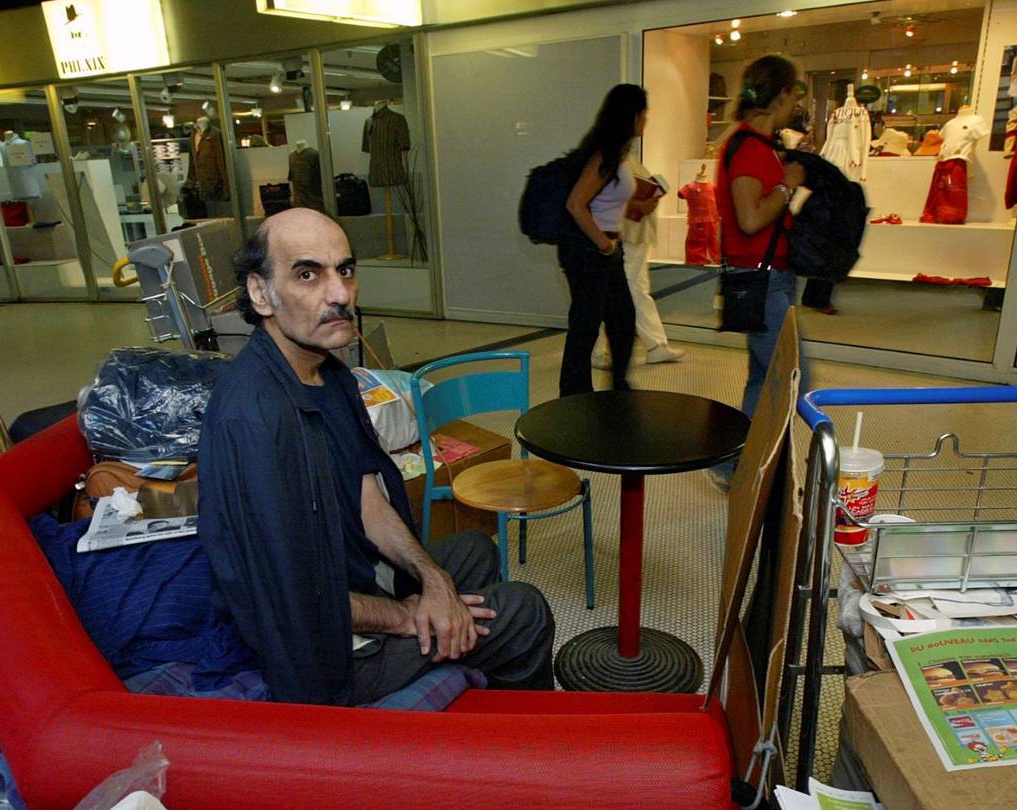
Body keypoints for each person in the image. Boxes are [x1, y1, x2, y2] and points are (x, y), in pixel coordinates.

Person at [198, 208, 555, 706]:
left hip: (352, 582)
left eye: (344, 270)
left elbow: (367, 497)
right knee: (522, 609)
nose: (340, 293)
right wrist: (411, 616)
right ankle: (522, 750)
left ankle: (474, 695)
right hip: (325, 653)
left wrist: (434, 582)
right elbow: (297, 599)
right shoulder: (254, 419)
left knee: (472, 549)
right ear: (261, 294)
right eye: (308, 274)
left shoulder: (330, 372)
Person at [707, 55, 806, 493]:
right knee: (789, 380)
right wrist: (788, 184)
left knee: (762, 378)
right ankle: (763, 474)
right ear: (782, 94)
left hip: (761, 275)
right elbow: (749, 218)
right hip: (762, 278)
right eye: (795, 93)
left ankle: (737, 468)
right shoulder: (749, 146)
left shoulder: (749, 143)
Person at [558, 83, 647, 396]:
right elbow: (575, 204)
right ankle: (573, 399)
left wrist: (637, 207)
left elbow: (604, 200)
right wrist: (604, 245)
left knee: (622, 320)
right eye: (644, 112)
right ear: (634, 115)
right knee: (585, 327)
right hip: (590, 251)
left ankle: (617, 387)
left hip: (605, 250)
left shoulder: (616, 151)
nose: (647, 119)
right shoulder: (605, 154)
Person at [592, 151, 685, 370]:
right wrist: (636, 205)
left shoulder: (625, 156)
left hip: (633, 233)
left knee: (633, 289)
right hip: (623, 234)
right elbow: (604, 195)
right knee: (625, 290)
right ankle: (650, 345)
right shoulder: (609, 156)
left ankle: (654, 344)